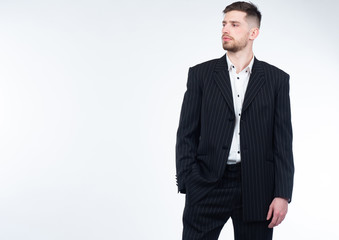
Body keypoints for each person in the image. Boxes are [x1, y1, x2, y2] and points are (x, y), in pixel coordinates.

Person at [175, 1, 294, 240]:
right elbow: (186, 133)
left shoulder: (276, 80)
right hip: (208, 183)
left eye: (234, 24)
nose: (225, 29)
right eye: (224, 23)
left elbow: (282, 141)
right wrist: (190, 180)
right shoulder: (201, 75)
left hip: (257, 185)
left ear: (253, 33)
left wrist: (282, 194)